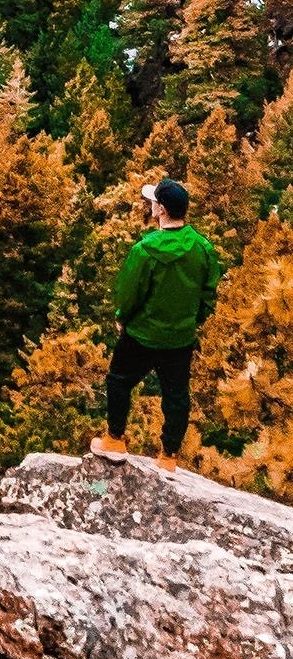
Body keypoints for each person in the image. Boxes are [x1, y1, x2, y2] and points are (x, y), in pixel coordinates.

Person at [91, 177, 220, 471]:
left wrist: (122, 318)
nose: (150, 205)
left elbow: (129, 292)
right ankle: (169, 457)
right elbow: (208, 292)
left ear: (161, 209)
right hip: (180, 338)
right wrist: (192, 320)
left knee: (119, 380)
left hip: (142, 334)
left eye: (153, 202)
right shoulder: (202, 249)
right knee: (176, 395)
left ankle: (114, 440)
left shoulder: (145, 250)